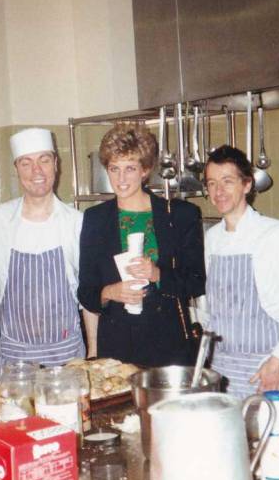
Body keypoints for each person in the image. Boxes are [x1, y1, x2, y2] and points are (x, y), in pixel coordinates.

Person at [0, 128, 93, 371]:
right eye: (26, 163)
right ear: (17, 170)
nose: (37, 171)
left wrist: (94, 353)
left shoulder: (77, 223)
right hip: (15, 360)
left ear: (56, 164)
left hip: (68, 357)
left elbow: (90, 297)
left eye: (44, 160)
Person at [201, 145, 279, 409]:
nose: (218, 191)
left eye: (227, 182)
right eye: (212, 183)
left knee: (272, 444)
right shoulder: (212, 239)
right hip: (221, 368)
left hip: (265, 369)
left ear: (247, 185)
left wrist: (277, 363)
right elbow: (215, 309)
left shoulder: (276, 235)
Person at [78, 123, 205, 367]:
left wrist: (157, 273)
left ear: (145, 170)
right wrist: (110, 292)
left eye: (130, 168)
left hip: (169, 343)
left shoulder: (179, 215)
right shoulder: (95, 219)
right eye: (114, 169)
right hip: (117, 346)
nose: (121, 179)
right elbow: (86, 291)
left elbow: (196, 281)